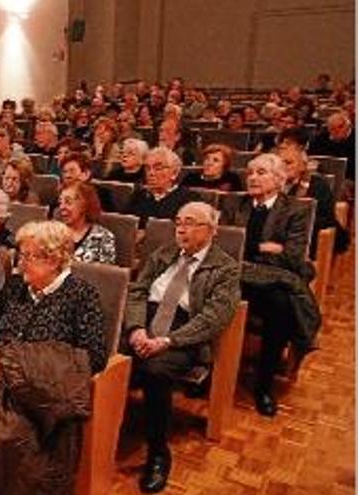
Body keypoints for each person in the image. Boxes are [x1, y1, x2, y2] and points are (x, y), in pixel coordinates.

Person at [0, 220, 107, 494]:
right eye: (21, 254)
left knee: (11, 438)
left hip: (43, 393)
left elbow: (94, 355)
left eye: (29, 256)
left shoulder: (81, 295)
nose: (21, 263)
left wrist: (29, 365)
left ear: (55, 260)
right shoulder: (16, 286)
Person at [124, 202, 240, 493]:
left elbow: (213, 319)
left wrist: (167, 341)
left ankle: (158, 453)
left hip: (184, 332)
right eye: (178, 221)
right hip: (146, 321)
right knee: (98, 355)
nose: (181, 228)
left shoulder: (225, 268)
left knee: (155, 370)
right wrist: (136, 328)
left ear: (210, 230)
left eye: (190, 222)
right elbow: (137, 291)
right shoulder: (163, 253)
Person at [219, 154, 318, 417]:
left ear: (278, 179)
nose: (252, 177)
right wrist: (263, 247)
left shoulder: (296, 209)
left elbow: (292, 256)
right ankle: (208, 372)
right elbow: (225, 245)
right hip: (235, 274)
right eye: (250, 172)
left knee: (282, 304)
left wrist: (250, 250)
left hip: (272, 279)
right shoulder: (233, 204)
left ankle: (264, 384)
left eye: (261, 172)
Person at [278, 146, 337, 257]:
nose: (283, 167)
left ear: (303, 166)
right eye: (280, 163)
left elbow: (326, 220)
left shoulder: (318, 186)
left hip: (305, 240)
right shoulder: (270, 184)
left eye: (288, 163)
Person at [125, 147, 200, 228]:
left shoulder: (190, 199)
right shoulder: (139, 195)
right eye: (147, 168)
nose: (151, 173)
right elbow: (124, 224)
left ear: (174, 173)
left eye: (158, 168)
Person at [58, 183, 117, 264]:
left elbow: (105, 274)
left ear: (84, 205)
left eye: (68, 202)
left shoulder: (103, 237)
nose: (62, 207)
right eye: (60, 202)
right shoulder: (53, 233)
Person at [308, 111, 355, 182]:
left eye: (340, 127)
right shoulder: (322, 138)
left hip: (351, 178)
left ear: (348, 125)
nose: (335, 131)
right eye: (332, 129)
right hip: (326, 175)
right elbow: (312, 154)